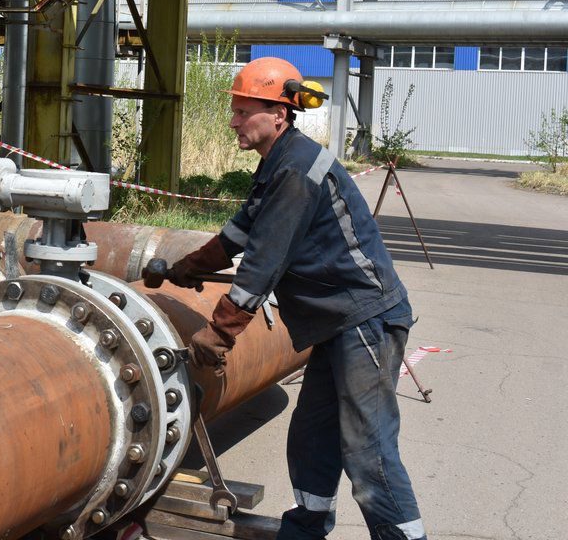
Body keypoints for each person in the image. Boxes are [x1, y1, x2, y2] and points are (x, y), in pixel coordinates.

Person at [143, 57, 426, 540]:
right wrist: (189, 266)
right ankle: (306, 528)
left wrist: (220, 332)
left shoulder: (295, 171)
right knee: (312, 435)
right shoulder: (281, 162)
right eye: (233, 110)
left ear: (277, 114)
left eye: (242, 111)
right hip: (338, 323)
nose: (233, 121)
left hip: (364, 320)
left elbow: (264, 260)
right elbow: (241, 232)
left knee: (368, 451)